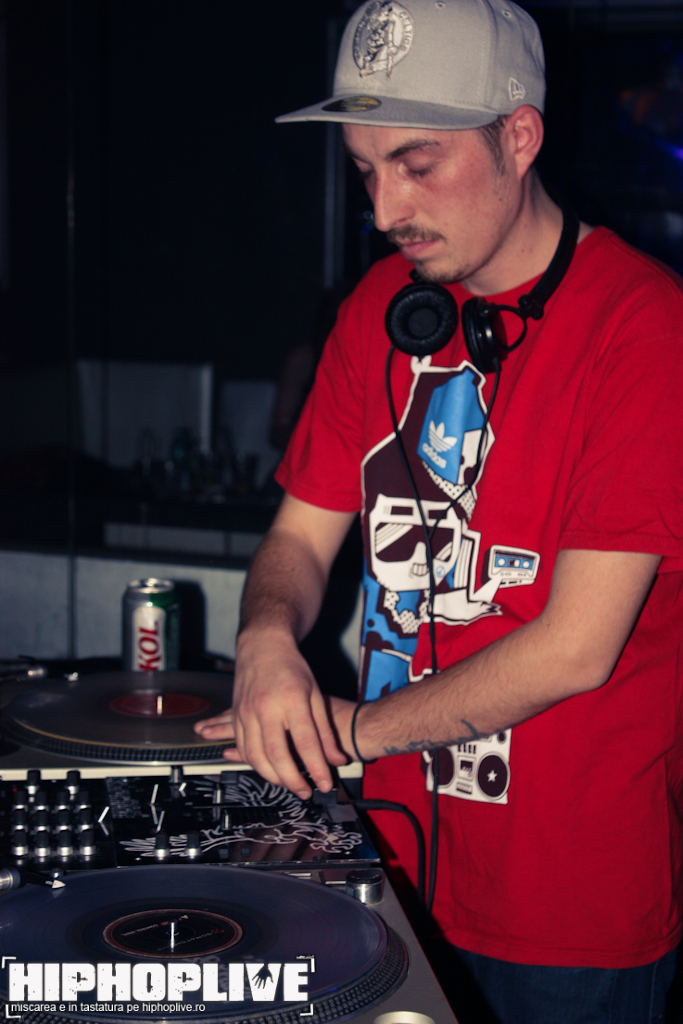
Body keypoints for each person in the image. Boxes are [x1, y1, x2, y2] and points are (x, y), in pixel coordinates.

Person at [195, 2, 683, 1020]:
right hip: (383, 866)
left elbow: (574, 648)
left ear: (519, 136)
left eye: (416, 165)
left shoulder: (644, 332)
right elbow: (296, 539)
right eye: (365, 171)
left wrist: (349, 731)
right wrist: (264, 639)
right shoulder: (378, 309)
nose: (386, 209)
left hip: (567, 913)